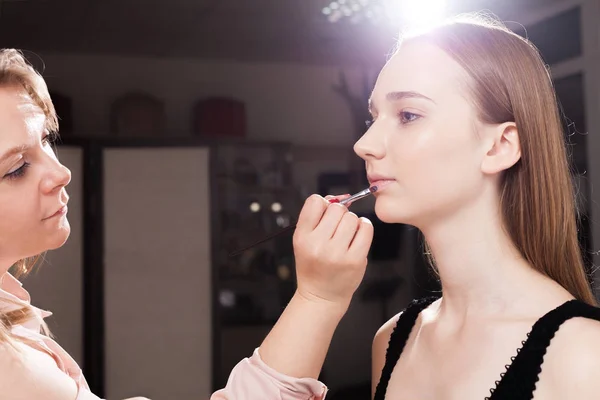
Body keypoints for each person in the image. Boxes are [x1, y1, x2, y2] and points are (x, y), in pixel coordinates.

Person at [211, 14, 600, 400]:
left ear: (500, 146)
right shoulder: (393, 340)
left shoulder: (586, 357)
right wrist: (315, 297)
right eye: (373, 116)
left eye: (408, 115)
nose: (364, 144)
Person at [0, 49, 149, 400]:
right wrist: (308, 296)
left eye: (47, 140)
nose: (62, 173)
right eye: (17, 168)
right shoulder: (11, 369)